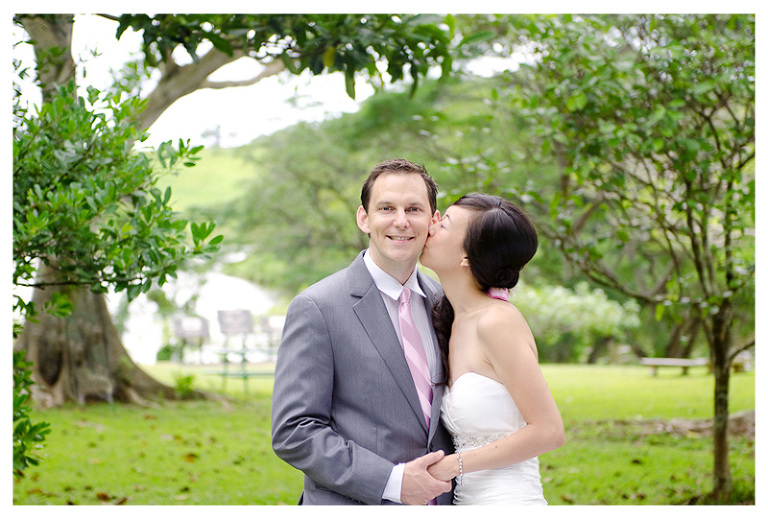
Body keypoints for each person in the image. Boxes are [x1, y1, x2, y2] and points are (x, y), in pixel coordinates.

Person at [271, 158, 454, 505]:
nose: (401, 221)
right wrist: (393, 481)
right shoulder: (317, 307)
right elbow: (294, 431)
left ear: (433, 221)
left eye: (413, 209)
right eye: (386, 208)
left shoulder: (446, 303)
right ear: (364, 218)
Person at [421, 193, 565, 505]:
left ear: (467, 258)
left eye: (443, 225)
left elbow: (549, 430)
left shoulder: (497, 322)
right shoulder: (450, 317)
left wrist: (454, 465)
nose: (430, 227)